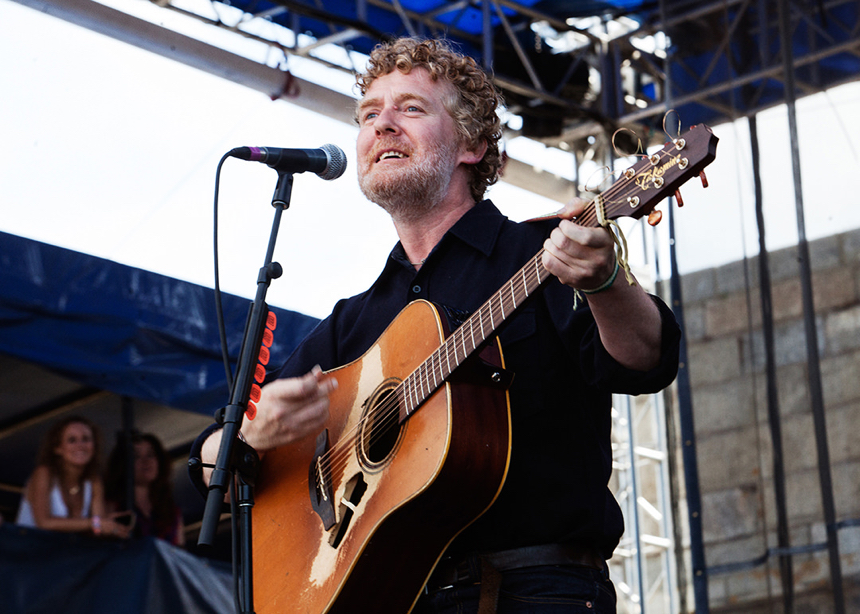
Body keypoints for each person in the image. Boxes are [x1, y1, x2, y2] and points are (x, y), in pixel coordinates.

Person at [199, 37, 680, 613]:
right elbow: (209, 474)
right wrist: (252, 436)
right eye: (369, 114)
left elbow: (647, 361)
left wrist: (605, 284)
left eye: (411, 108)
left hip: (538, 593)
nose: (383, 126)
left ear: (473, 145)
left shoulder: (540, 254)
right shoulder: (354, 324)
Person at [16, 415, 132, 539]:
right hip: (29, 553)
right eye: (72, 440)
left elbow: (96, 528)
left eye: (86, 439)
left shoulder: (94, 480)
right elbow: (44, 522)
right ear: (58, 448)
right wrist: (94, 523)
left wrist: (111, 527)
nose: (80, 445)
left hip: (64, 555)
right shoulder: (44, 473)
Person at [105, 431, 185, 546]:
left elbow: (181, 551)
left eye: (151, 454)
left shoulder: (171, 510)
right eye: (136, 456)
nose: (145, 461)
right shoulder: (113, 506)